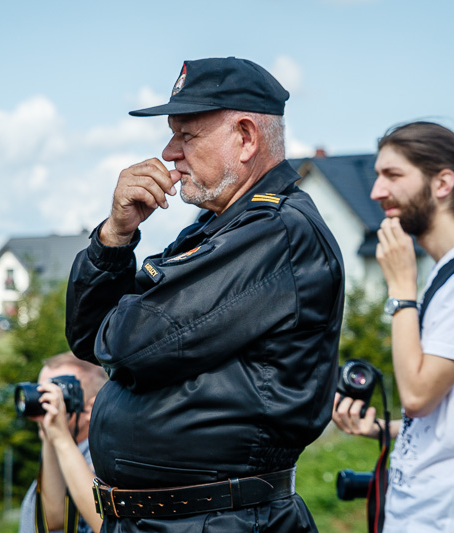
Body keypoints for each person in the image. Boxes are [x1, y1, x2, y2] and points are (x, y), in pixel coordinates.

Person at [65, 57, 345, 531]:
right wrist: (115, 235)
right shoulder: (218, 228)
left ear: (246, 137)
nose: (169, 152)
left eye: (187, 135)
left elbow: (129, 345)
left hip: (221, 520)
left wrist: (130, 311)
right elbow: (89, 337)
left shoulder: (276, 231)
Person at [332, 121, 454, 531]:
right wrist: (379, 428)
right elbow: (449, 417)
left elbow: (418, 395)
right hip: (424, 510)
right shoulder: (451, 272)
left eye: (392, 175)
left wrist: (401, 288)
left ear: (442, 183)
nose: (376, 191)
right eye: (377, 176)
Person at [19, 352, 107, 533]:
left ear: (92, 407)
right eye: (41, 390)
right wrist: (50, 433)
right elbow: (54, 522)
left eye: (58, 392)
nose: (45, 401)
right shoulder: (59, 449)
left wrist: (60, 437)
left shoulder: (104, 459)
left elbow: (106, 525)